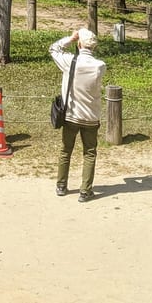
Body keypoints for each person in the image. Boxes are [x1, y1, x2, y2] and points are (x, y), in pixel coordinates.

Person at [50, 27, 107, 202]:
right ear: (94, 47)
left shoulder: (70, 62)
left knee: (66, 150)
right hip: (91, 116)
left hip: (71, 115)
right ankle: (85, 190)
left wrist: (70, 38)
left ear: (80, 43)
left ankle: (61, 185)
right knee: (89, 152)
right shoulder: (100, 66)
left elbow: (53, 49)